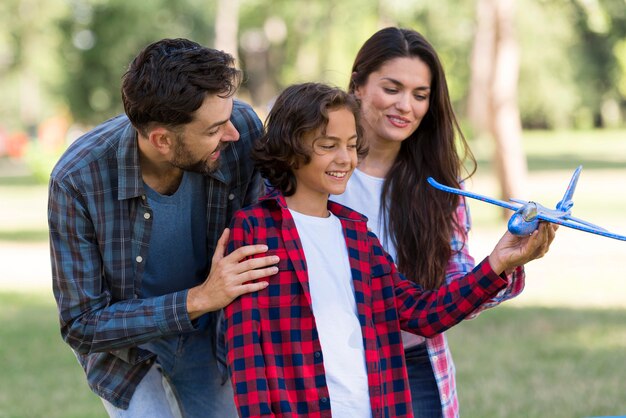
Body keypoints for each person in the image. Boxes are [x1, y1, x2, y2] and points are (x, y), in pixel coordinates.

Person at [223, 82, 555, 417]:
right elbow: (246, 353)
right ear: (290, 149)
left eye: (352, 146)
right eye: (328, 145)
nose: (345, 158)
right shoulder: (255, 230)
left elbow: (424, 313)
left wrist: (499, 261)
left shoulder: (357, 235)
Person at [48, 38, 280, 418]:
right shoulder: (77, 180)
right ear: (162, 140)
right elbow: (81, 325)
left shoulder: (240, 129)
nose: (233, 134)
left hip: (211, 337)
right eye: (214, 129)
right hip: (127, 351)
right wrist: (199, 298)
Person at [329, 26, 535, 418]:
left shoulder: (440, 186)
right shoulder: (314, 169)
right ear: (357, 85)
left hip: (413, 367)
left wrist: (501, 264)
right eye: (392, 89)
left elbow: (454, 291)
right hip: (327, 365)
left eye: (420, 95)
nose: (406, 106)